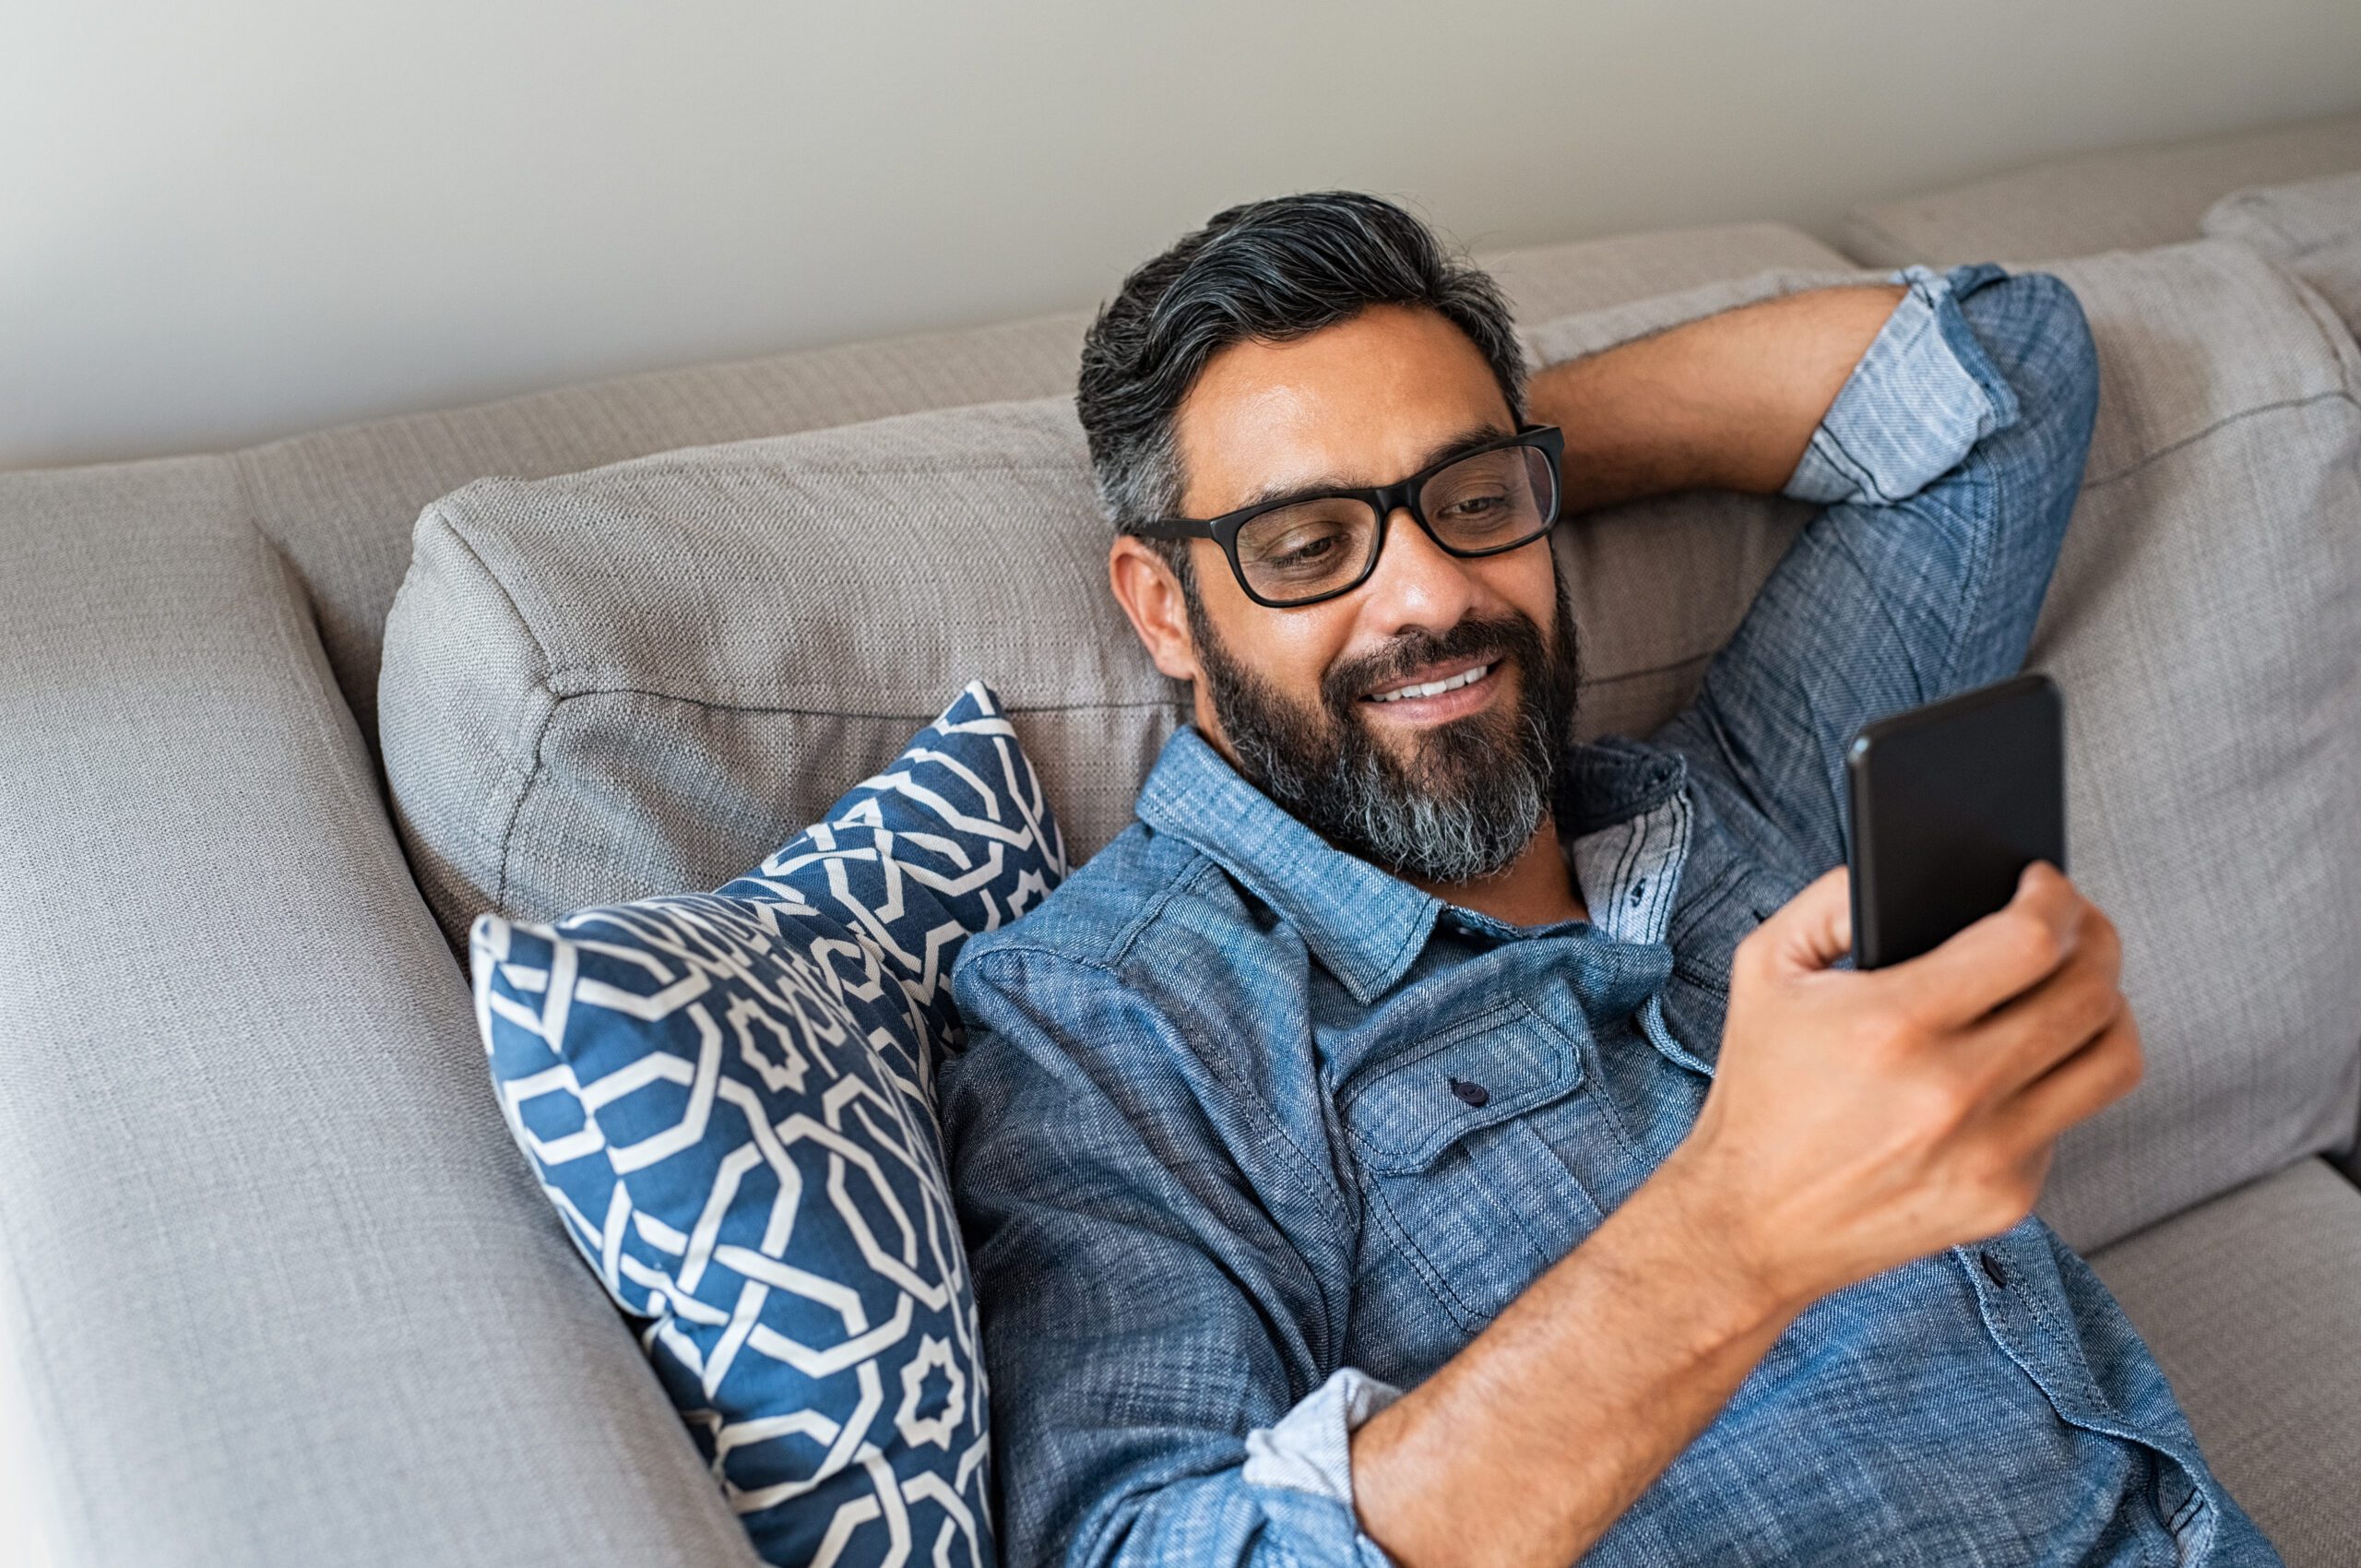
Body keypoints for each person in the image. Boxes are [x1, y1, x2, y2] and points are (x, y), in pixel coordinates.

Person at [936, 191, 2281, 1567]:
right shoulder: (1115, 1019)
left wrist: (1495, 457)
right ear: (1165, 605)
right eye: (1307, 545)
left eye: (1476, 508)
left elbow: (2006, 369)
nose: (1429, 599)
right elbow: (1140, 1544)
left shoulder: (1734, 798)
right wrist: (1738, 1227)